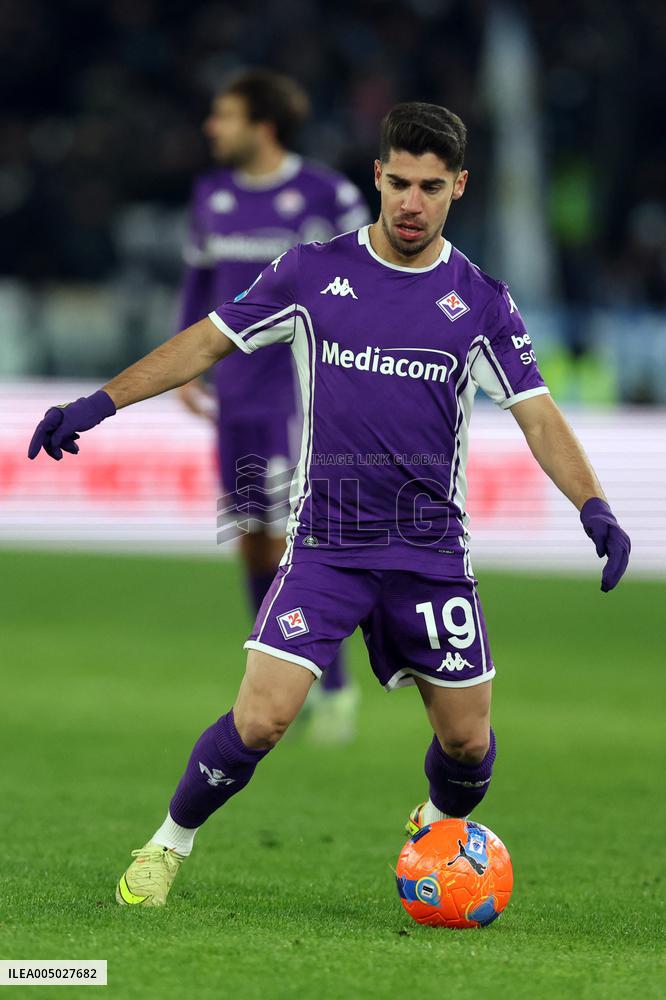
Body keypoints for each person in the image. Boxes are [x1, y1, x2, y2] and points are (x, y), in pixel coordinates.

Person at [28, 102, 631, 911]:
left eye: (430, 187)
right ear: (376, 176)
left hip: (429, 554)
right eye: (398, 183)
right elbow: (205, 339)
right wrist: (98, 404)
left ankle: (436, 826)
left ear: (458, 187)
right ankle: (167, 844)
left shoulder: (482, 301)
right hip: (328, 547)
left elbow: (539, 416)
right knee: (260, 720)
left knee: (467, 747)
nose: (411, 203)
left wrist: (595, 507)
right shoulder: (312, 273)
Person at [176, 69, 370, 743]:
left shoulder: (326, 196)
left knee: (298, 545)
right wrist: (187, 365)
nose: (211, 127)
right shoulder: (212, 195)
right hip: (236, 400)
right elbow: (199, 281)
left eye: (224, 116)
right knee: (254, 542)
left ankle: (334, 686)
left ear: (262, 126)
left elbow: (372, 280)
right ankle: (280, 676)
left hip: (301, 398)